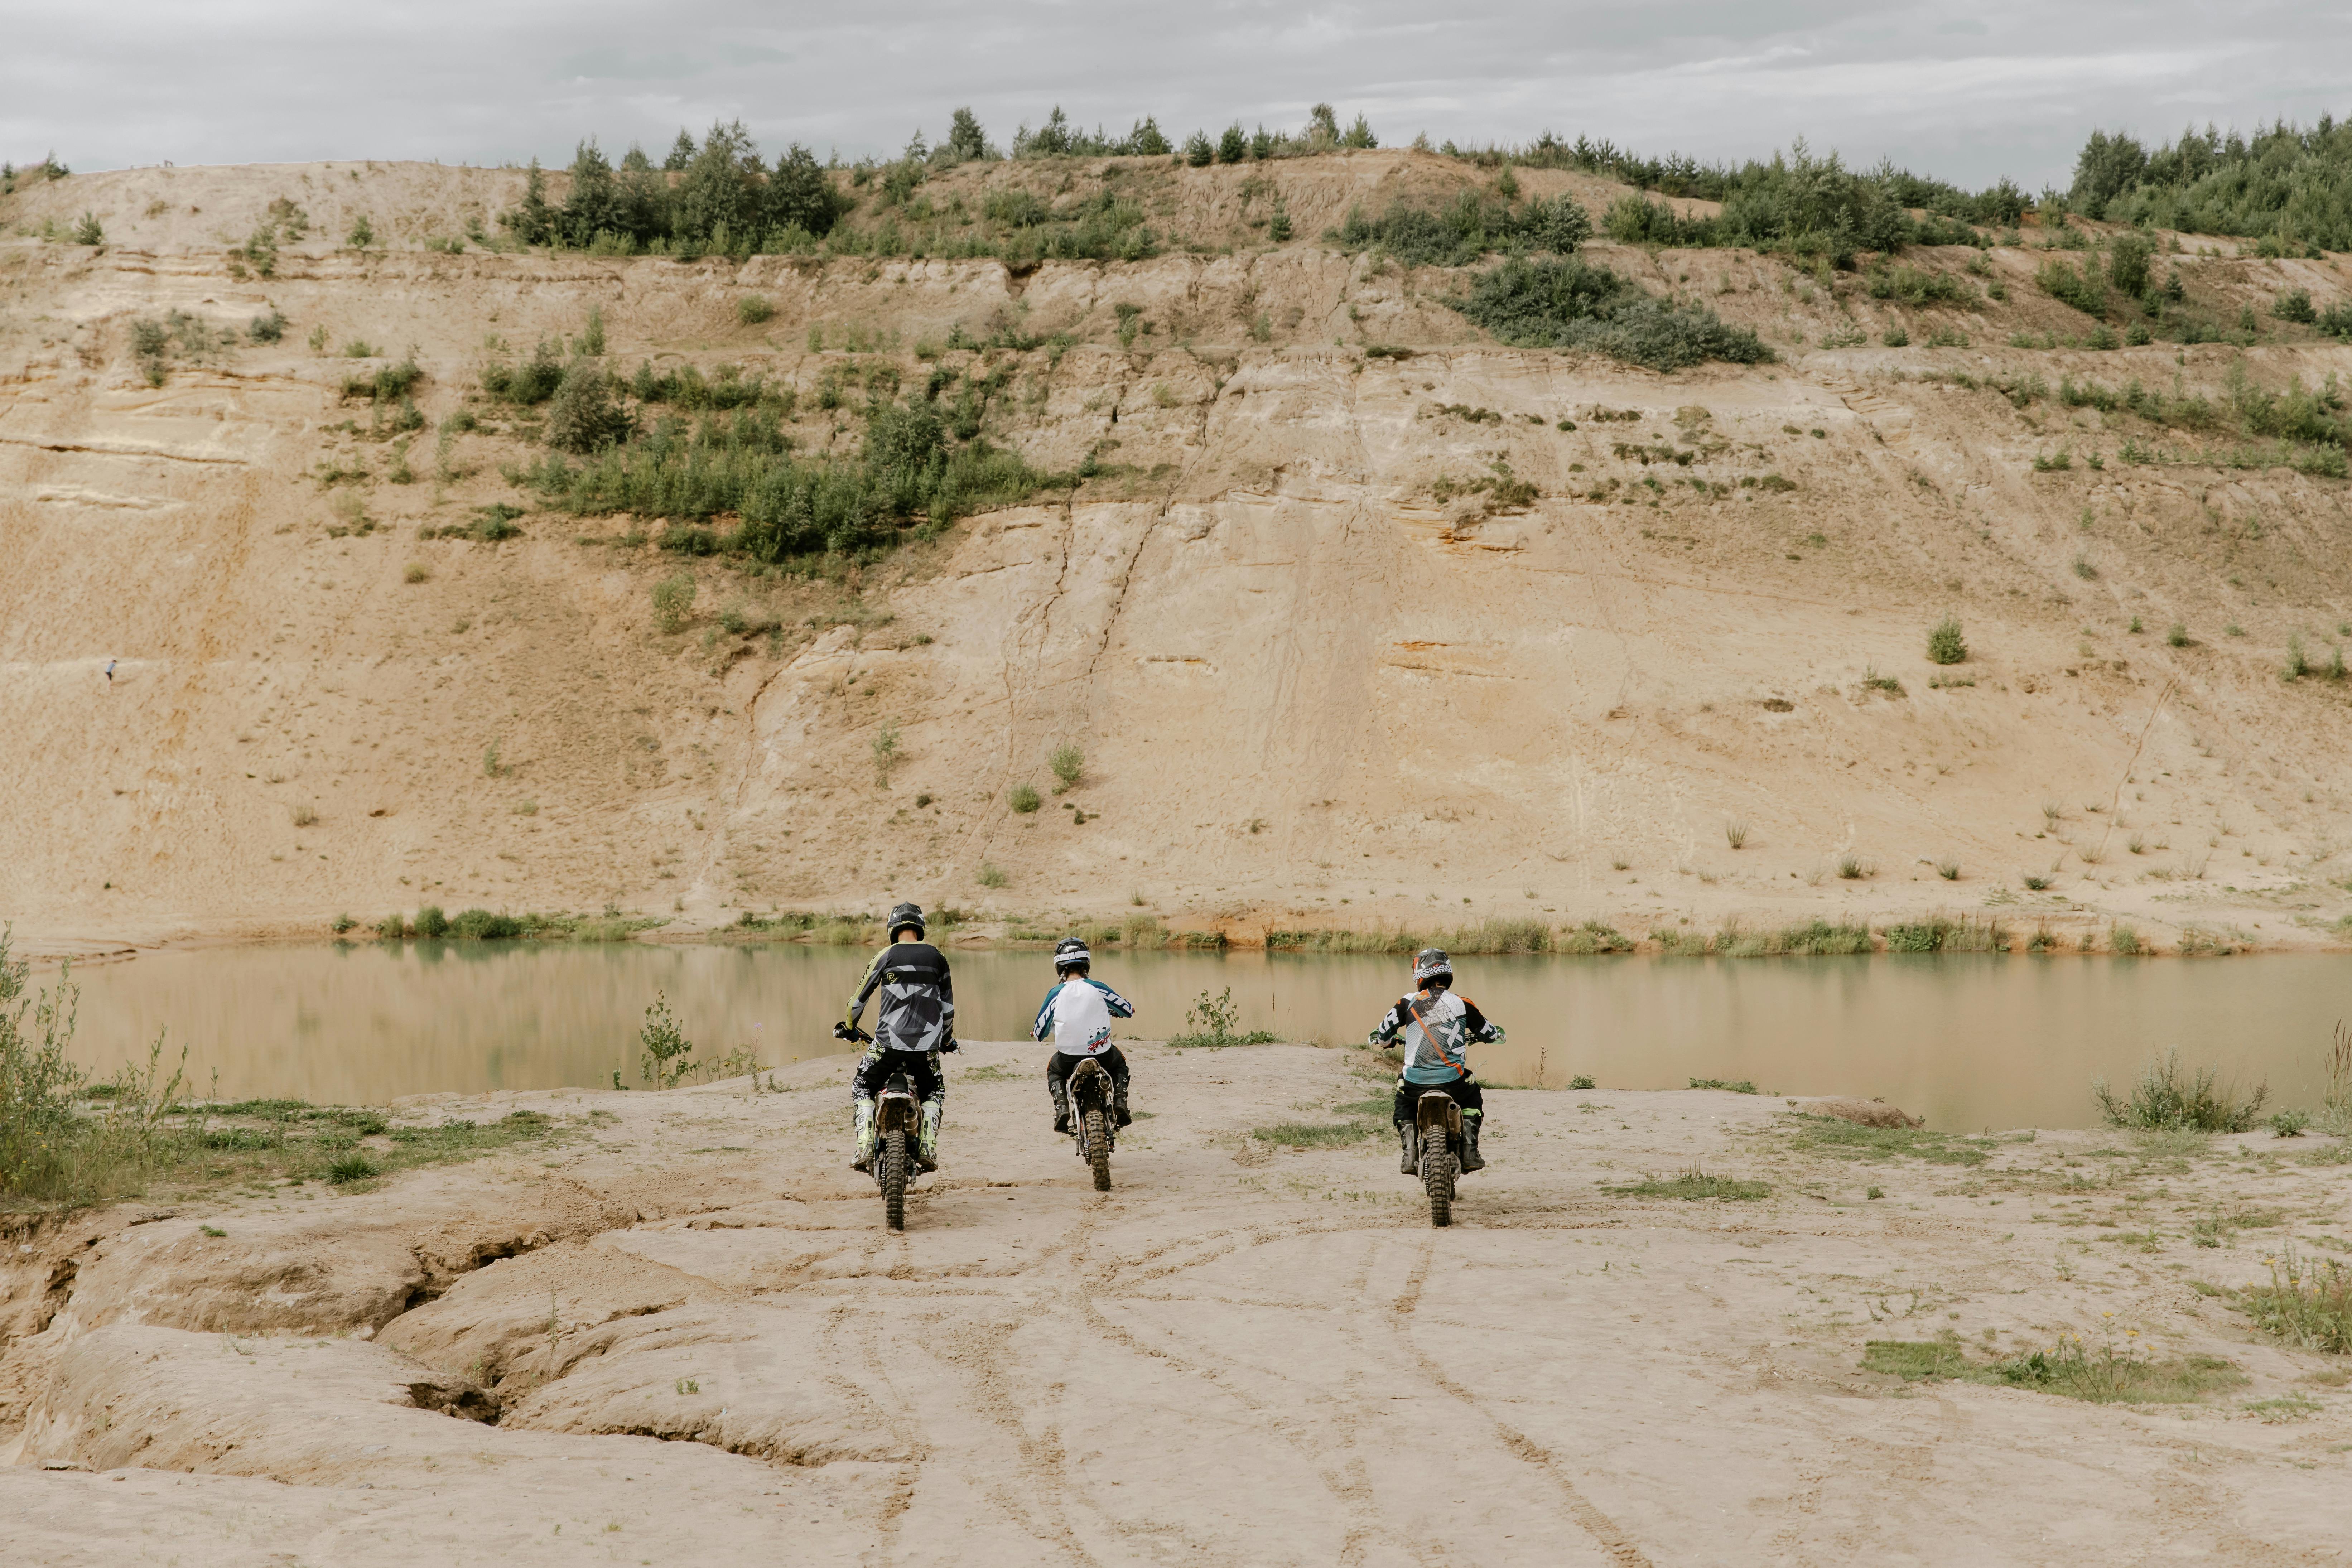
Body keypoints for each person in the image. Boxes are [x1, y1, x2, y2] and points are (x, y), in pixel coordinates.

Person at [1366, 947, 1505, 1174]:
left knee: (1403, 1102)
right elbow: (1490, 1034)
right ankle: (1470, 1150)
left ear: (1419, 973)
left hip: (1415, 1083)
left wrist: (1390, 1042)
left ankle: (1409, 1153)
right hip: (1454, 1083)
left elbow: (1382, 1037)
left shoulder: (1407, 1002)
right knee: (1473, 1096)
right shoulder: (1463, 1003)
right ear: (1447, 972)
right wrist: (1484, 1035)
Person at [841, 903, 955, 1174]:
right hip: (926, 1049)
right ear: (920, 927)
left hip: (887, 1045)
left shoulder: (886, 955)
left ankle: (865, 1144)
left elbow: (857, 1002)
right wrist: (947, 1040)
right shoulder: (938, 957)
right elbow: (948, 1009)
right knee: (935, 1090)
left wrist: (850, 1026)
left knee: (862, 1085)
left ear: (892, 929)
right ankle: (927, 1146)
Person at [1032, 936, 1135, 1132]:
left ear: (1059, 966)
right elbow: (1126, 1009)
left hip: (1068, 1058)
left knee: (1054, 1071)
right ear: (1086, 963)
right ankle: (1120, 1102)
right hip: (1102, 1054)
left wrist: (1037, 1033)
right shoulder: (1098, 987)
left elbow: (1039, 1032)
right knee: (1120, 1063)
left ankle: (1062, 1106)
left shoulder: (1055, 994)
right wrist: (1123, 1011)